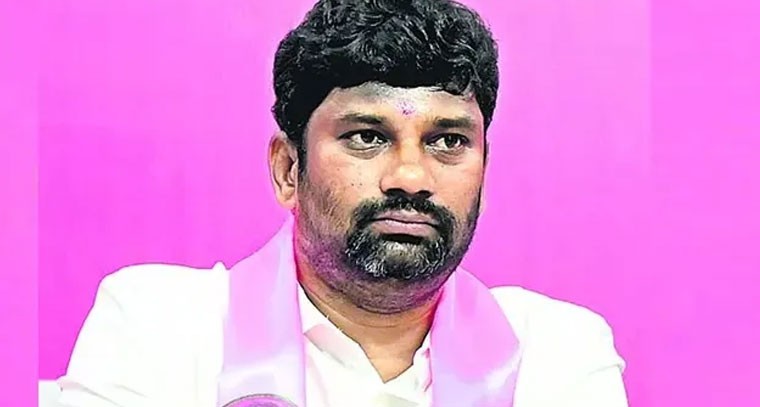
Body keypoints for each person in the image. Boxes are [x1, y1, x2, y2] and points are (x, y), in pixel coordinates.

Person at [57, 0, 628, 406]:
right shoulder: (162, 328)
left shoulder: (555, 351)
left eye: (448, 141)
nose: (411, 177)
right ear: (288, 169)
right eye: (367, 137)